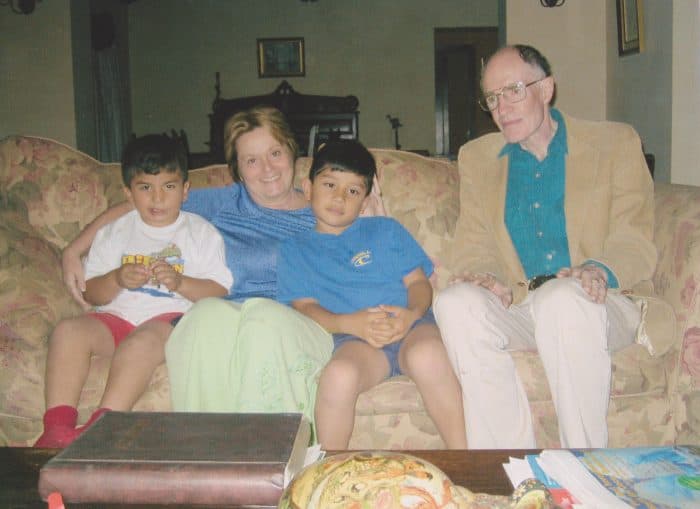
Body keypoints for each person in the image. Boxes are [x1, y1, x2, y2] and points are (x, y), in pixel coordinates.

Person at [61, 107, 382, 427]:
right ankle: (208, 447)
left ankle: (274, 448)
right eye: (251, 160)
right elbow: (138, 206)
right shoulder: (226, 202)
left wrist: (372, 227)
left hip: (302, 325)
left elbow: (365, 269)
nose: (267, 169)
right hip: (231, 323)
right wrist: (74, 250)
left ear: (294, 154)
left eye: (275, 153)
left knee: (262, 316)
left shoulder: (326, 207)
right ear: (238, 170)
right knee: (201, 316)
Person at [433, 44, 656, 449]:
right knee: (454, 303)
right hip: (522, 304)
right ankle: (507, 466)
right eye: (493, 98)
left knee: (562, 299)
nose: (502, 107)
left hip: (601, 299)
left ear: (547, 88)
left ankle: (585, 465)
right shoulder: (478, 157)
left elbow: (634, 236)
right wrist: (487, 277)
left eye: (514, 90)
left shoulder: (615, 143)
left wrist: (596, 268)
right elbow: (474, 240)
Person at [35, 134, 233, 448]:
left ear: (185, 191)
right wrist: (116, 279)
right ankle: (56, 429)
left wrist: (180, 282)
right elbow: (92, 295)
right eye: (145, 188)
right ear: (128, 193)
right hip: (117, 319)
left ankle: (104, 425)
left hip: (169, 324)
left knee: (140, 342)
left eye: (168, 187)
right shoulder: (115, 231)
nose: (157, 198)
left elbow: (219, 290)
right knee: (68, 331)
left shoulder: (200, 233)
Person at [276, 140, 467, 449]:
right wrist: (350, 324)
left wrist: (412, 315)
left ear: (365, 201)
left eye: (353, 191)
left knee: (429, 356)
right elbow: (305, 307)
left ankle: (467, 461)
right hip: (354, 341)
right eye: (329, 184)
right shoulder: (294, 250)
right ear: (307, 187)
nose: (340, 197)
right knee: (338, 376)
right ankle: (328, 474)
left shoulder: (385, 230)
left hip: (411, 328)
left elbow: (418, 284)